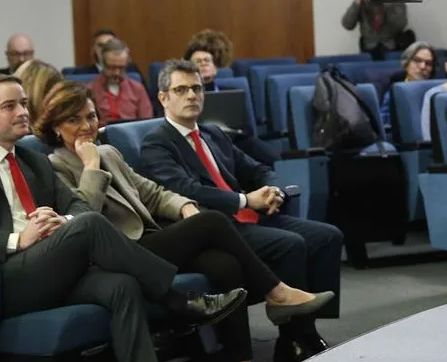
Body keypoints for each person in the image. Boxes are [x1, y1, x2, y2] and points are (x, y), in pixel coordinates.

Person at [0, 74, 247, 362]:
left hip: (51, 264)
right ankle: (181, 301)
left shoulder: (32, 160)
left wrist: (60, 223)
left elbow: (78, 207)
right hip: (1, 277)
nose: (22, 112)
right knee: (90, 225)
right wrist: (18, 239)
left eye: (23, 103)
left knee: (122, 285)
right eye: (10, 106)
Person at [37, 82, 334, 362]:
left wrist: (185, 208)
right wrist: (90, 166)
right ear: (56, 128)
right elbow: (85, 215)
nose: (86, 126)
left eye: (91, 116)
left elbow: (151, 193)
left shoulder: (109, 152)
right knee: (213, 222)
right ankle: (278, 293)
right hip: (117, 254)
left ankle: (239, 356)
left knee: (224, 264)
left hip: (150, 239)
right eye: (74, 120)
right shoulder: (53, 168)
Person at [140, 60, 343, 362]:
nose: (191, 95)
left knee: (328, 236)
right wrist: (246, 200)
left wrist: (272, 190)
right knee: (292, 244)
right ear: (163, 98)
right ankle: (299, 338)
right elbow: (187, 190)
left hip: (249, 216)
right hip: (215, 228)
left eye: (197, 88)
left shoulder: (213, 133)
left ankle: (300, 332)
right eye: (181, 90)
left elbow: (257, 168)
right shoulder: (157, 143)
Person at [341, 0, 412, 60]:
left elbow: (401, 24)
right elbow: (347, 24)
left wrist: (388, 2)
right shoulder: (363, 1)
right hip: (368, 48)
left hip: (392, 47)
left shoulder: (395, 0)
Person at [88, 38, 153, 125]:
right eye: (112, 67)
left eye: (121, 68)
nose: (117, 73)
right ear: (102, 64)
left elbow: (147, 122)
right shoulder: (90, 90)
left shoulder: (137, 89)